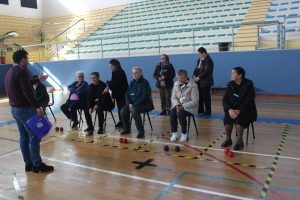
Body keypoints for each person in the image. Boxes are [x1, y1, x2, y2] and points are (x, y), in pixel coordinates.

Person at [4, 49, 54, 173]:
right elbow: (27, 91)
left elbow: (23, 85)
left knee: (24, 136)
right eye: (27, 59)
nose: (28, 61)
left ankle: (28, 164)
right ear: (22, 59)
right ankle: (37, 164)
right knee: (35, 136)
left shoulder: (10, 71)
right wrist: (38, 106)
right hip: (25, 110)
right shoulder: (22, 71)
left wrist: (38, 79)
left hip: (15, 110)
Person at [221, 67, 257, 151]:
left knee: (239, 117)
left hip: (246, 110)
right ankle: (228, 140)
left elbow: (249, 100)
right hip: (233, 109)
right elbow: (225, 99)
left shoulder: (248, 83)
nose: (231, 75)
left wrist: (239, 110)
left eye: (233, 73)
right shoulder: (230, 84)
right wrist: (229, 109)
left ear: (240, 75)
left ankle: (239, 142)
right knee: (227, 117)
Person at [120, 67, 154, 139]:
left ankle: (141, 132)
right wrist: (129, 103)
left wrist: (134, 105)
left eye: (136, 72)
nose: (134, 74)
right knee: (123, 111)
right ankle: (126, 129)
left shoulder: (145, 82)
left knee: (134, 111)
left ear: (140, 73)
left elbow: (145, 96)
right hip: (132, 104)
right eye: (133, 73)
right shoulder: (132, 82)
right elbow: (127, 94)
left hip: (144, 104)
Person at [170, 69, 199, 142]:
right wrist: (177, 105)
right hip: (178, 105)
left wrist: (183, 106)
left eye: (182, 78)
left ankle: (184, 133)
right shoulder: (176, 84)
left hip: (190, 107)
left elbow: (195, 101)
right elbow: (173, 97)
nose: (180, 80)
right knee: (172, 113)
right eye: (178, 78)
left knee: (180, 114)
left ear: (186, 77)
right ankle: (175, 133)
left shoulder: (193, 85)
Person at [103, 59, 128, 128]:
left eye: (111, 66)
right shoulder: (114, 72)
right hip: (118, 93)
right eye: (110, 66)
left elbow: (115, 84)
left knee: (123, 108)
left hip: (123, 93)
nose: (110, 68)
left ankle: (125, 122)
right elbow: (113, 82)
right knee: (119, 108)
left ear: (116, 65)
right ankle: (121, 121)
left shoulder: (120, 72)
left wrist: (108, 82)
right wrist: (109, 83)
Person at [193, 47, 214, 115]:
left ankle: (208, 111)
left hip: (206, 82)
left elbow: (207, 71)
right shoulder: (199, 60)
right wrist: (194, 75)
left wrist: (199, 77)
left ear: (204, 53)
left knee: (206, 97)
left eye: (200, 53)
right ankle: (200, 109)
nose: (199, 55)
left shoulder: (209, 60)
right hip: (199, 81)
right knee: (200, 96)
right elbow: (196, 69)